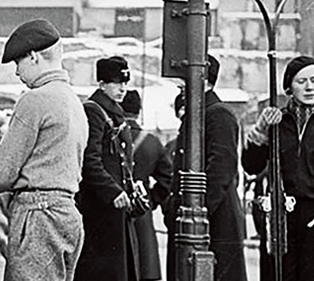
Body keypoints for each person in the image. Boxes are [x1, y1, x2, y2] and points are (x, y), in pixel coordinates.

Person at [0, 19, 87, 281]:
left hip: (38, 216)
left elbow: (2, 171)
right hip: (67, 214)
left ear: (33, 57)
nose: (17, 72)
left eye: (18, 63)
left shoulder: (35, 100)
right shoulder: (73, 102)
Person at [242, 55, 314, 281]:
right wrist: (261, 132)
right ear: (289, 87)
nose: (310, 87)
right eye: (302, 81)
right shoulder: (278, 123)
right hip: (281, 219)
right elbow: (251, 166)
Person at [163, 55, 247, 281]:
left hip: (213, 221)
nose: (180, 88)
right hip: (197, 220)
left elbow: (221, 169)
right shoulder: (198, 114)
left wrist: (197, 212)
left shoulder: (218, 115)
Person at [75, 55, 139, 281]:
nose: (122, 88)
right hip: (101, 204)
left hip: (114, 204)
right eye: (116, 83)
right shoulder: (94, 111)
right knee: (102, 270)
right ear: (102, 84)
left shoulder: (113, 112)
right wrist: (112, 191)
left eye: (124, 83)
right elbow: (89, 160)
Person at [120, 90, 172, 281]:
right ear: (138, 110)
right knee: (144, 270)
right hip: (142, 216)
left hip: (114, 213)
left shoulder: (109, 138)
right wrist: (150, 200)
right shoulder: (152, 142)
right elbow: (168, 179)